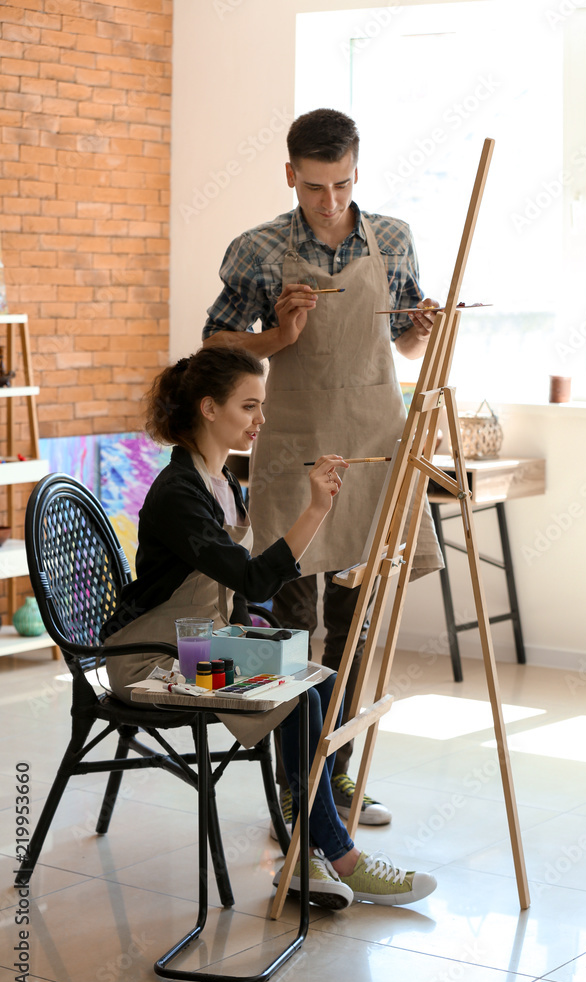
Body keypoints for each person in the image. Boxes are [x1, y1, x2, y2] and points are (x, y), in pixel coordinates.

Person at [101, 345, 437, 910]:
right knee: (297, 695)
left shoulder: (221, 481)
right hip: (155, 659)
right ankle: (334, 854)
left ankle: (303, 836)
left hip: (198, 646)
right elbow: (256, 582)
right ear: (209, 408)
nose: (261, 420)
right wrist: (314, 512)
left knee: (320, 684)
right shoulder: (179, 494)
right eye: (249, 406)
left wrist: (261, 642)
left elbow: (239, 597)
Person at [202, 108, 444, 831]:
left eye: (340, 184)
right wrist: (280, 332)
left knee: (358, 624)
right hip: (295, 447)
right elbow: (216, 344)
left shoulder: (392, 239)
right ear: (290, 176)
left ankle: (333, 774)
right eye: (314, 187)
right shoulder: (259, 248)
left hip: (373, 443)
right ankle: (290, 788)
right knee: (289, 629)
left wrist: (419, 328)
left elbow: (400, 347)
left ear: (356, 172)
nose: (330, 201)